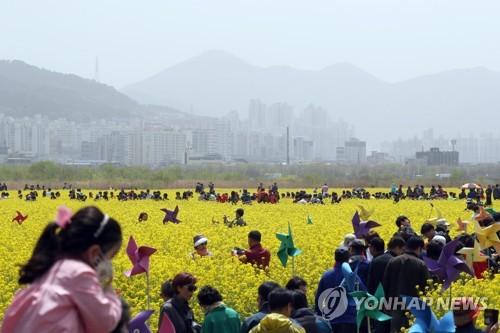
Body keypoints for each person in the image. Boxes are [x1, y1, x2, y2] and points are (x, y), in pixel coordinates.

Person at [1, 206, 123, 333]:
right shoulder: (81, 274)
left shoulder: (50, 266)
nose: (109, 263)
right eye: (111, 256)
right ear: (94, 252)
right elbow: (103, 323)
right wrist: (110, 296)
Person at [383, 236, 430, 333]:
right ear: (418, 249)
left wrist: (385, 303)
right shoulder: (420, 264)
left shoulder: (393, 261)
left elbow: (386, 283)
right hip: (414, 305)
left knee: (395, 329)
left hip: (395, 303)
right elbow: (427, 286)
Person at [315, 248, 366, 333]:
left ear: (335, 258)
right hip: (349, 318)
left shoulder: (326, 276)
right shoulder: (352, 276)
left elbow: (318, 298)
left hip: (330, 319)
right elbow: (364, 293)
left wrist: (320, 317)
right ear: (347, 259)